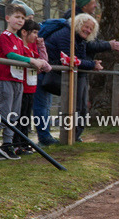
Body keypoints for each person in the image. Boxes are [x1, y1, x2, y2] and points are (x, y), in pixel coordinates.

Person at [0, 3, 45, 159]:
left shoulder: (18, 39)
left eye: (23, 18)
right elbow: (10, 55)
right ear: (7, 18)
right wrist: (31, 60)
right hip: (5, 80)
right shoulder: (5, 36)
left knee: (14, 115)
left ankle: (7, 145)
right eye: (17, 17)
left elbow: (27, 56)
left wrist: (39, 60)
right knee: (4, 113)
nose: (20, 20)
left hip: (18, 81)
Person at [44, 13, 104, 142]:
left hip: (77, 73)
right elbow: (70, 59)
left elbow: (79, 59)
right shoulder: (66, 35)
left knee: (82, 107)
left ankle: (75, 136)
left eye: (91, 29)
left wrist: (90, 64)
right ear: (78, 24)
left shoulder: (80, 39)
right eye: (86, 27)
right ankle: (67, 136)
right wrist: (92, 64)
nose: (88, 30)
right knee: (71, 106)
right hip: (58, 73)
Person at [13, 20, 52, 153]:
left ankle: (24, 142)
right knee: (19, 116)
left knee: (26, 117)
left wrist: (41, 46)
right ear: (24, 32)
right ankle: (16, 144)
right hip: (21, 87)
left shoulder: (32, 47)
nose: (36, 36)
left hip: (31, 87)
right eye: (34, 32)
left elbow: (43, 61)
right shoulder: (19, 46)